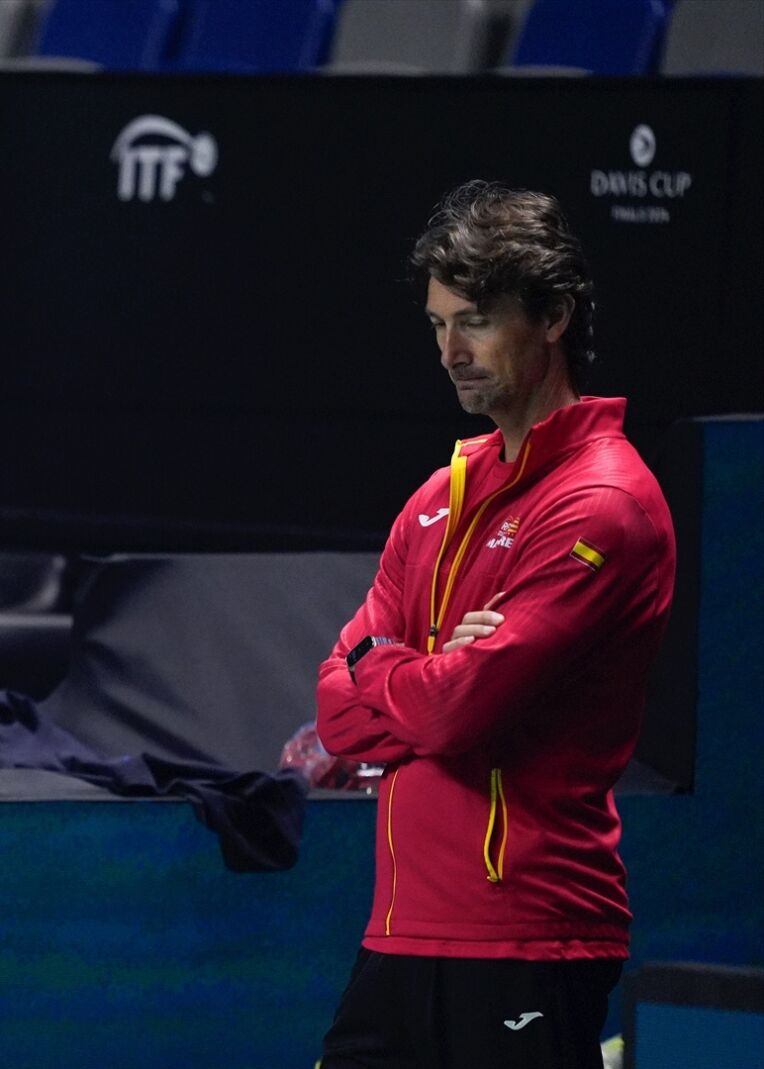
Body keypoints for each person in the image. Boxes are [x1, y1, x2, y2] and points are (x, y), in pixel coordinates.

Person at [315, 181, 676, 1068]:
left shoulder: (605, 502)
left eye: (475, 321)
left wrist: (388, 667)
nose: (450, 352)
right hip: (399, 934)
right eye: (438, 325)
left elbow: (457, 712)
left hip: (530, 938)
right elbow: (335, 712)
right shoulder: (437, 498)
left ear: (553, 316)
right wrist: (425, 665)